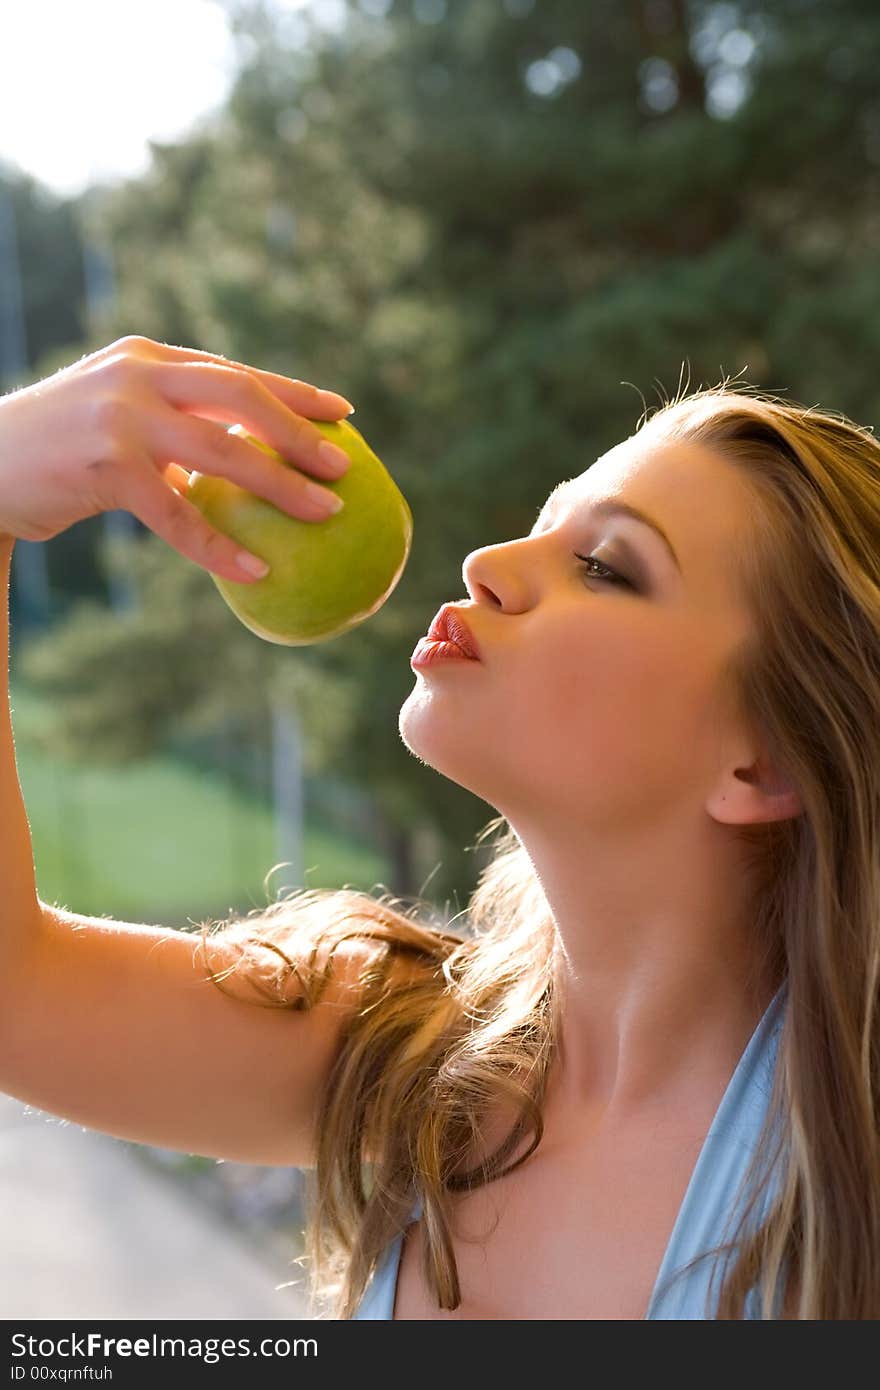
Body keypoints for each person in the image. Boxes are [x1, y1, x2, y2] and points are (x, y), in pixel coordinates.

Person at [0, 337, 877, 1320]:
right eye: (542, 526)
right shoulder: (408, 1049)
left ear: (764, 764)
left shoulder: (842, 1192)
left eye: (603, 565)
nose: (486, 564)